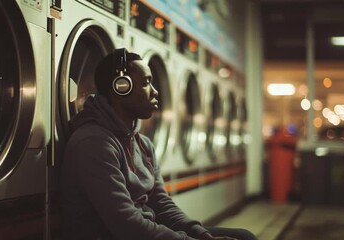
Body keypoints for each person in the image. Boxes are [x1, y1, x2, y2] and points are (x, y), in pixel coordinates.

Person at [60, 48, 257, 240]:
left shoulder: (143, 144)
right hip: (113, 235)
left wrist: (201, 234)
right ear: (122, 87)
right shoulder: (93, 143)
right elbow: (126, 224)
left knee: (244, 236)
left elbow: (161, 204)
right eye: (146, 83)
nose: (155, 92)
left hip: (141, 231)